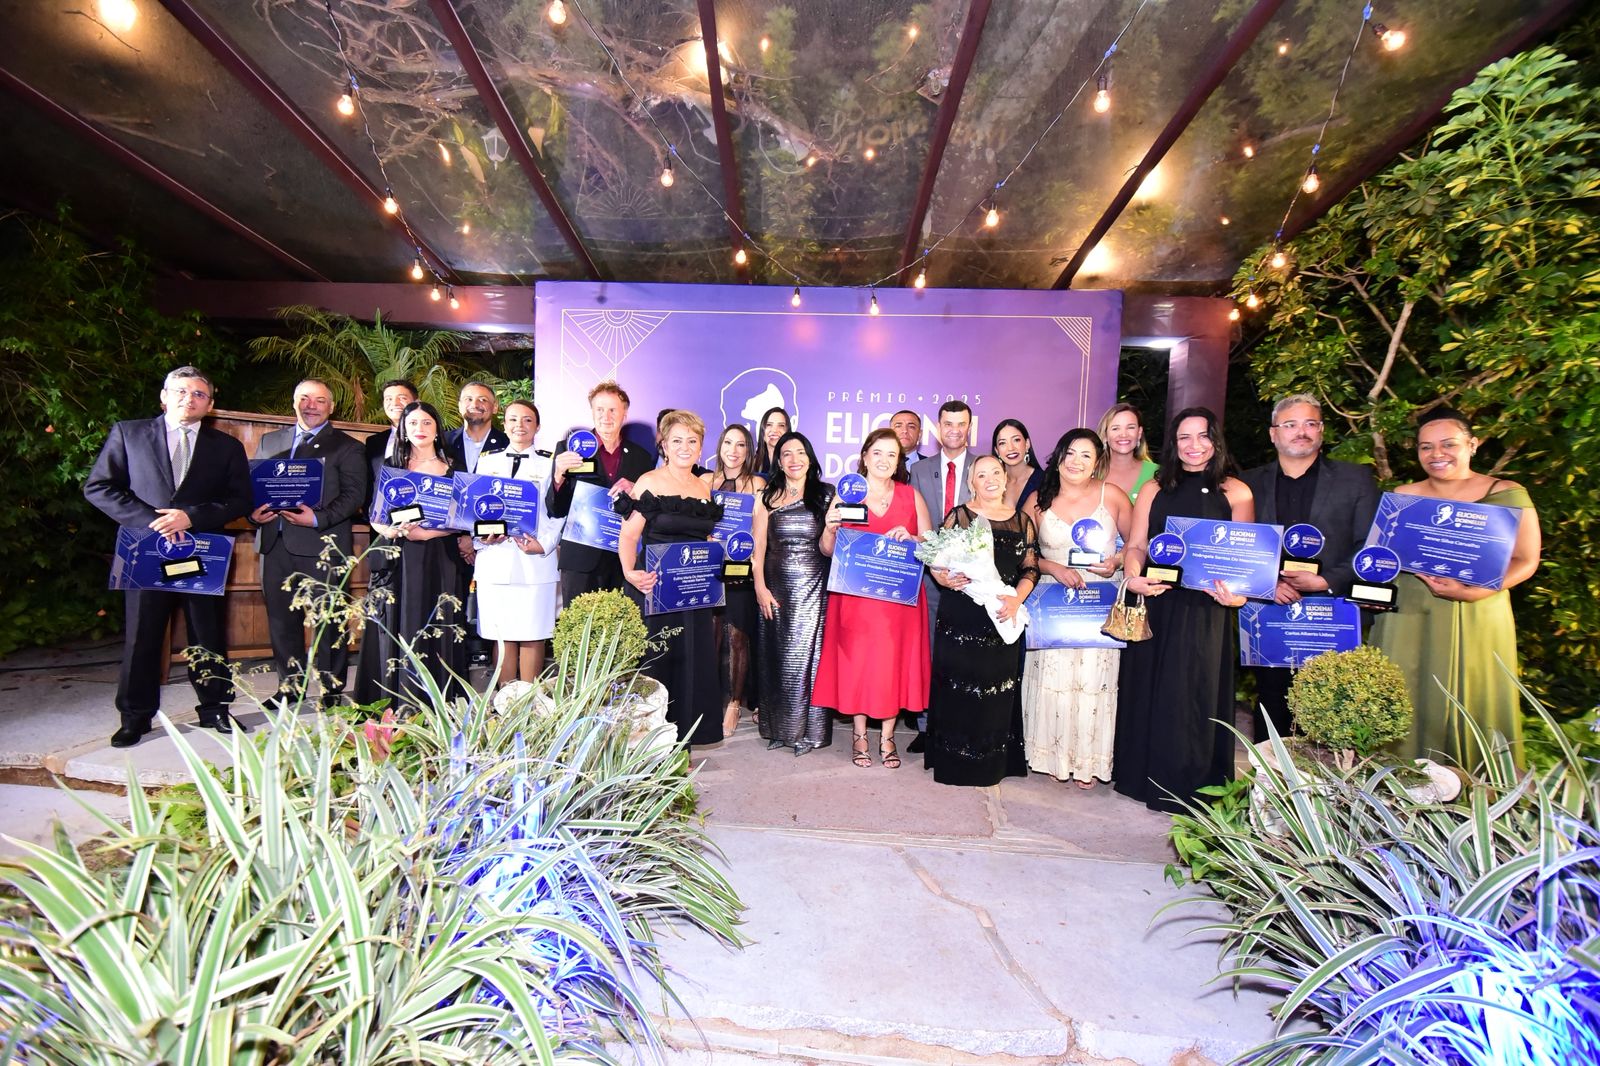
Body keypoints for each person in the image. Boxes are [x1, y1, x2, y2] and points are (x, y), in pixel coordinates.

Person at [83, 366, 252, 746]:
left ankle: (215, 708)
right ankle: (135, 717)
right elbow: (99, 487)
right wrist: (153, 520)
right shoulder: (129, 434)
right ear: (164, 396)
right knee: (142, 636)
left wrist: (191, 517)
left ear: (210, 404)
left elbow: (240, 500)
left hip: (201, 552)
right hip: (144, 551)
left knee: (207, 634)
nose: (189, 399)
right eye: (181, 391)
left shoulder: (226, 447)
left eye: (199, 394)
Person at [1371, 408, 1541, 768]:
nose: (1437, 454)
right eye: (1426, 447)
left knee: (1473, 697)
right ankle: (1398, 783)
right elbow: (1384, 559)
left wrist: (1474, 592)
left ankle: (1479, 787)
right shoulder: (1404, 496)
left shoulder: (1505, 493)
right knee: (1403, 691)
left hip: (1477, 609)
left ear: (1473, 445)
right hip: (1409, 611)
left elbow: (1526, 560)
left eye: (1449, 444)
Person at [1115, 407, 1254, 813]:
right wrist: (1133, 577)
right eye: (1184, 437)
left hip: (1205, 610)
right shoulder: (1155, 488)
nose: (1194, 445)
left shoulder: (1237, 492)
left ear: (1216, 440)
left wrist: (1238, 596)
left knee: (1194, 694)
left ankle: (1192, 784)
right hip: (1157, 600)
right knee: (1150, 690)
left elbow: (1244, 561)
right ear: (1173, 444)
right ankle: (1141, 778)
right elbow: (1136, 544)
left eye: (1203, 436)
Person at [1240, 394, 1380, 739]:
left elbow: (1370, 546)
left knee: (1332, 714)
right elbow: (1238, 546)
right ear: (1273, 433)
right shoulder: (1247, 483)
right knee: (1271, 708)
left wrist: (1327, 581)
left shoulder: (1356, 479)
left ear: (1322, 430)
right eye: (1290, 424)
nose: (1301, 431)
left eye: (1310, 423)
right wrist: (1266, 583)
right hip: (1270, 612)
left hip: (1332, 613)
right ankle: (1268, 774)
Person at [1020, 429, 1133, 787]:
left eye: (1086, 455)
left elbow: (1136, 545)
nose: (1076, 462)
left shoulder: (1112, 495)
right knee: (1053, 681)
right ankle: (1049, 757)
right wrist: (1052, 567)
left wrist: (1116, 561)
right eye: (1070, 453)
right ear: (1058, 457)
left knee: (1093, 683)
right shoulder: (1038, 499)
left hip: (1099, 603)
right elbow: (1022, 552)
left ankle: (1088, 763)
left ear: (1097, 462)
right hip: (1052, 601)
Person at [813, 428, 932, 769]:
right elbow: (827, 550)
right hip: (856, 600)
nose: (883, 460)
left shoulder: (911, 496)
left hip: (898, 601)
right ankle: (860, 735)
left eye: (891, 454)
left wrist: (912, 538)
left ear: (899, 461)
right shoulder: (846, 494)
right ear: (864, 456)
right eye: (877, 452)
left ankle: (888, 737)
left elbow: (930, 545)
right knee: (859, 665)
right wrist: (830, 528)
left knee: (893, 665)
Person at [248, 378, 366, 705]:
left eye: (319, 400)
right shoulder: (270, 441)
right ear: (294, 402)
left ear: (331, 407)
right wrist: (252, 515)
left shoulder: (347, 446)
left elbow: (354, 496)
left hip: (322, 545)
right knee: (281, 621)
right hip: (273, 545)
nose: (310, 405)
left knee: (329, 621)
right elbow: (252, 487)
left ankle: (330, 689)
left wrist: (317, 518)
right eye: (304, 398)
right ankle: (289, 689)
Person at [924, 456, 1039, 786]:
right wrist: (941, 577)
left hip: (1002, 614)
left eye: (996, 473)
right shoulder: (959, 516)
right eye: (981, 474)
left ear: (1005, 479)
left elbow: (1030, 568)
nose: (990, 479)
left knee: (996, 689)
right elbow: (936, 558)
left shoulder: (1022, 521)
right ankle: (954, 761)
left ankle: (991, 764)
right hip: (961, 613)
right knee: (958, 687)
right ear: (971, 482)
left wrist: (1017, 599)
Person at [617, 410, 725, 749]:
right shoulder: (649, 481)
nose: (685, 447)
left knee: (691, 663)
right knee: (657, 663)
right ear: (664, 445)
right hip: (655, 589)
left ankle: (681, 746)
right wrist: (629, 572)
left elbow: (704, 538)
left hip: (693, 594)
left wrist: (716, 558)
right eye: (677, 440)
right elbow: (628, 536)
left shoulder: (703, 487)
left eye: (692, 441)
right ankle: (647, 747)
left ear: (701, 447)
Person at [354, 401, 469, 710]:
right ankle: (393, 703)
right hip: (398, 556)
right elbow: (374, 513)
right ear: (404, 429)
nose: (420, 429)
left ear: (437, 429)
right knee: (397, 622)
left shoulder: (454, 467)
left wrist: (428, 533)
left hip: (439, 557)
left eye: (427, 423)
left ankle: (435, 704)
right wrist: (390, 531)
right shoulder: (390, 465)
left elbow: (462, 518)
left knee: (435, 622)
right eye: (413, 423)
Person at [751, 431, 835, 755]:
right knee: (774, 658)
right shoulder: (766, 496)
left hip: (814, 589)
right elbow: (758, 547)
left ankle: (806, 733)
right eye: (786, 454)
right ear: (779, 461)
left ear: (810, 458)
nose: (794, 459)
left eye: (800, 452)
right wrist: (760, 587)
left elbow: (829, 548)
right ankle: (777, 729)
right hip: (775, 588)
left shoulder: (827, 495)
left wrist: (832, 528)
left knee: (807, 660)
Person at [472, 400, 564, 688]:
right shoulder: (486, 462)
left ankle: (531, 703)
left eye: (527, 420)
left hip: (535, 561)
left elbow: (560, 511)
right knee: (502, 635)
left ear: (538, 426)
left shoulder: (551, 464)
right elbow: (473, 507)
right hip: (496, 557)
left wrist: (544, 544)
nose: (519, 426)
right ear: (504, 424)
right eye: (513, 419)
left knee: (533, 634)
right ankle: (506, 704)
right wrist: (481, 536)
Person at [906, 400, 975, 752]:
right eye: (948, 423)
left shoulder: (984, 467)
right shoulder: (920, 470)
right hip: (929, 576)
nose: (954, 430)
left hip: (973, 578)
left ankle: (960, 726)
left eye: (961, 424)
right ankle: (927, 726)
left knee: (964, 655)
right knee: (929, 651)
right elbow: (916, 521)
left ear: (969, 428)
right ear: (938, 427)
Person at [547, 382, 655, 601]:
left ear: (625, 413)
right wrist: (558, 476)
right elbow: (556, 509)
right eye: (600, 409)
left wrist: (637, 489)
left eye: (613, 410)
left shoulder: (641, 457)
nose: (606, 416)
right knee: (578, 622)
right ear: (592, 412)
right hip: (580, 559)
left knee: (621, 621)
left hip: (622, 560)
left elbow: (649, 509)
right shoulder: (568, 448)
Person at [701, 424, 762, 736]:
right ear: (720, 446)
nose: (733, 451)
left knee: (738, 636)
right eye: (728, 443)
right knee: (710, 635)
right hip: (709, 569)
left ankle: (735, 703)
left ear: (748, 450)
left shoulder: (757, 484)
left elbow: (761, 531)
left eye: (741, 445)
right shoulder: (703, 481)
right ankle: (710, 699)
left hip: (741, 569)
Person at [364, 379, 417, 496]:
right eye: (388, 399)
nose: (395, 403)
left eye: (402, 398)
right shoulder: (373, 442)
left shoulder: (431, 439)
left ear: (416, 402)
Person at [1099, 403, 1160, 503]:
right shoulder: (1091, 472)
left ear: (1139, 432)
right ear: (1105, 435)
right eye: (1115, 428)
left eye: (1130, 427)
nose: (1123, 434)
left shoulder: (1157, 473)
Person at [992, 418, 1043, 511]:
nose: (1010, 448)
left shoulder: (1044, 481)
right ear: (997, 450)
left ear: (1027, 444)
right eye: (1002, 443)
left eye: (1016, 440)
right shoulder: (992, 482)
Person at [751, 407, 790, 479]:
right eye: (769, 425)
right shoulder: (752, 464)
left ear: (787, 431)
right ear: (762, 432)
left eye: (781, 425)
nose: (774, 430)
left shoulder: (794, 462)